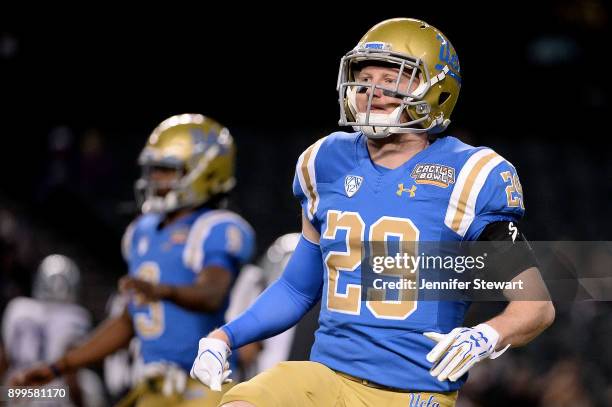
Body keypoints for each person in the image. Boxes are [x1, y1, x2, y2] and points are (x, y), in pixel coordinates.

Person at [190, 18, 555, 407]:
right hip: (324, 378)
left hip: (414, 391)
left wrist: (486, 336)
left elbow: (536, 306)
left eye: (394, 77)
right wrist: (223, 337)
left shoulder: (471, 175)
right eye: (364, 78)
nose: (373, 90)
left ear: (437, 89)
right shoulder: (324, 161)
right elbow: (297, 287)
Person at [12, 114, 255, 407]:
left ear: (204, 171)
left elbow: (212, 294)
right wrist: (58, 367)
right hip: (153, 385)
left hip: (204, 385)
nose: (154, 179)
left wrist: (162, 290)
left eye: (166, 170)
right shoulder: (142, 233)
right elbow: (130, 320)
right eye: (153, 170)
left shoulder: (215, 227)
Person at [1, 254, 106, 406]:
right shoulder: (75, 316)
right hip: (53, 395)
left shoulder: (17, 308)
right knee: (91, 384)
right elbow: (72, 377)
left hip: (18, 390)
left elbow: (3, 361)